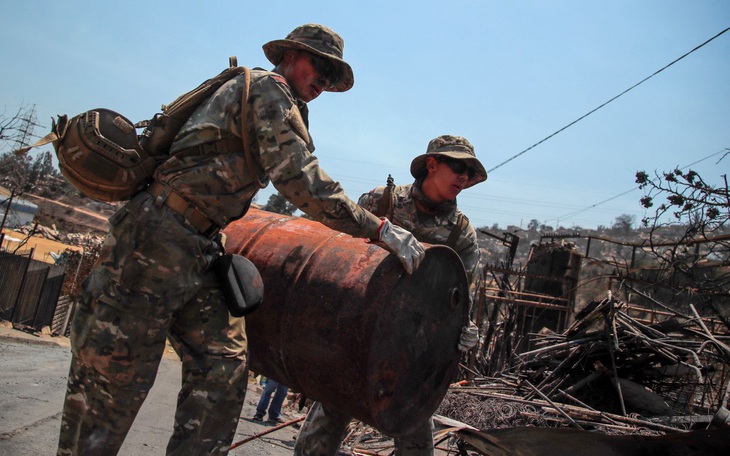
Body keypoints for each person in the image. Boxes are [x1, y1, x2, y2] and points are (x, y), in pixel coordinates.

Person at [56, 23, 425, 456]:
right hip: (156, 239)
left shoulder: (277, 100)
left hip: (201, 245)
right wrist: (379, 229)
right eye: (319, 68)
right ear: (289, 56)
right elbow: (301, 180)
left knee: (223, 370)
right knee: (112, 380)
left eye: (330, 76)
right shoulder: (269, 91)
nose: (322, 83)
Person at [294, 134, 487, 456]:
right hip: (351, 339)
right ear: (432, 164)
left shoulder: (460, 233)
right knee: (318, 439)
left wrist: (464, 329)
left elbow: (460, 297)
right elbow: (334, 257)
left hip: (409, 356)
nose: (464, 177)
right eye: (458, 167)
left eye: (470, 172)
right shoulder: (380, 203)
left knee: (416, 446)